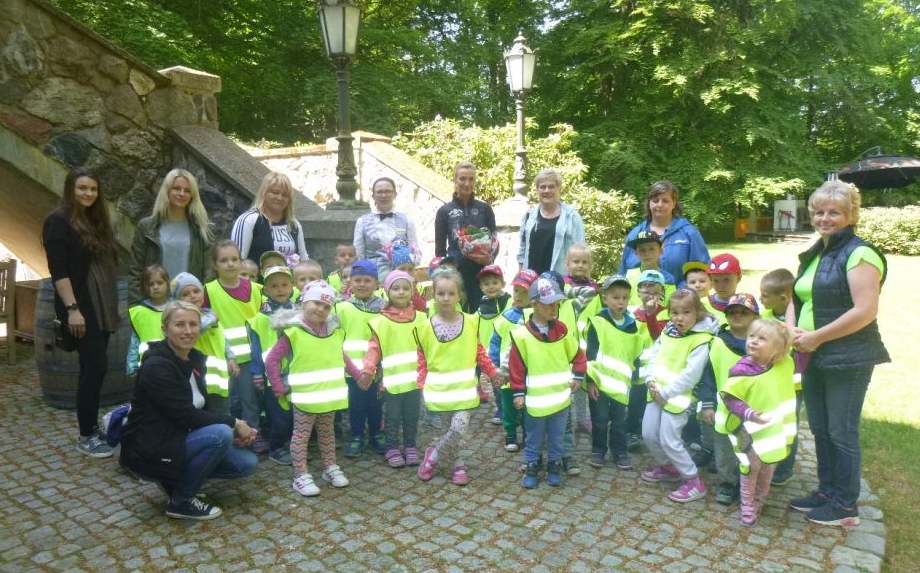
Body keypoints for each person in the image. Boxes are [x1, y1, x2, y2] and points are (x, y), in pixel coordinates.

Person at [789, 181, 888, 527]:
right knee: (820, 428)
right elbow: (797, 296)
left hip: (848, 356)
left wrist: (816, 337)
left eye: (834, 212)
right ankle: (827, 491)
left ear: (851, 216)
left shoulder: (860, 254)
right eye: (818, 212)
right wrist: (792, 330)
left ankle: (845, 505)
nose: (824, 218)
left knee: (841, 431)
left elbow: (865, 311)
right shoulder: (817, 252)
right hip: (812, 354)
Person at [119, 300, 258, 521]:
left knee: (246, 463)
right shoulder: (157, 366)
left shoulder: (194, 358)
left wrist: (235, 431)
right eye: (180, 324)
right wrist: (234, 424)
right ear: (165, 329)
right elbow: (185, 415)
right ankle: (181, 501)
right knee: (220, 434)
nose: (188, 331)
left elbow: (203, 407)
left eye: (193, 324)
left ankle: (178, 483)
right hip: (151, 447)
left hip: (180, 437)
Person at [42, 167, 121, 458]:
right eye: (82, 188)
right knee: (94, 366)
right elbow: (59, 271)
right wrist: (73, 310)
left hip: (101, 304)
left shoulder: (95, 220)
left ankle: (92, 428)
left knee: (95, 367)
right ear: (70, 190)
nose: (88, 193)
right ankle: (86, 434)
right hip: (81, 304)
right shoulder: (58, 222)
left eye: (93, 189)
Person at [266, 281, 358, 497]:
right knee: (301, 436)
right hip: (305, 398)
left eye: (326, 306)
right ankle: (300, 475)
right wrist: (278, 386)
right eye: (316, 303)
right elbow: (271, 360)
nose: (321, 309)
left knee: (327, 433)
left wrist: (358, 374)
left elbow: (342, 356)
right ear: (304, 303)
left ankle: (330, 467)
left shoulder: (333, 332)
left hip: (329, 396)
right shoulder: (293, 333)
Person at [416, 269, 499, 485]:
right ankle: (457, 464)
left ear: (459, 295)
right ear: (434, 295)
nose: (446, 298)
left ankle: (433, 455)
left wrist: (492, 372)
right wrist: (421, 382)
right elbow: (422, 356)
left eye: (451, 293)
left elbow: (479, 351)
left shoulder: (470, 322)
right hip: (440, 390)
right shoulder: (425, 327)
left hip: (464, 389)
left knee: (458, 427)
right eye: (441, 293)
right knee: (448, 429)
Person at [640, 289, 718, 503]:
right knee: (648, 433)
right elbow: (654, 353)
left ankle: (693, 480)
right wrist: (649, 379)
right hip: (656, 391)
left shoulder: (702, 340)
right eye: (674, 312)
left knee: (669, 440)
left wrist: (665, 393)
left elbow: (691, 375)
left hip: (677, 398)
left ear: (698, 312)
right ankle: (669, 467)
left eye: (686, 312)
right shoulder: (668, 330)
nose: (679, 318)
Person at [508, 274, 586, 488]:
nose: (554, 308)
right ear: (534, 304)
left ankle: (554, 465)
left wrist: (578, 375)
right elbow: (516, 367)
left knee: (557, 436)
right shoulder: (522, 335)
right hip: (535, 401)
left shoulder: (562, 331)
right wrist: (518, 392)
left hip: (560, 398)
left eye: (556, 303)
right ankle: (532, 465)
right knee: (533, 437)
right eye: (549, 304)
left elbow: (578, 355)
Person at [722, 319, 797, 526]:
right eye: (751, 336)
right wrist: (749, 413)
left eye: (762, 338)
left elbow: (790, 342)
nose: (753, 341)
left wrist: (787, 333)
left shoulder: (784, 364)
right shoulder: (742, 369)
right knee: (750, 467)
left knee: (768, 467)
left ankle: (760, 499)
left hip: (774, 430)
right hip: (750, 431)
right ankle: (747, 504)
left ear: (777, 349)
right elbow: (730, 398)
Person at [697, 293, 760, 506]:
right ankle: (728, 482)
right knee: (724, 449)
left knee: (751, 449)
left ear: (755, 316)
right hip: (724, 407)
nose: (737, 315)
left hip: (754, 408)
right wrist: (707, 404)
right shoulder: (717, 342)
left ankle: (750, 484)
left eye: (744, 312)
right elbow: (708, 375)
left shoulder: (762, 343)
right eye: (732, 312)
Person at [203, 241, 264, 450]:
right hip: (222, 359)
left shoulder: (256, 289)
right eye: (223, 260)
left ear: (240, 261)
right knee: (226, 401)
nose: (230, 264)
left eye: (234, 259)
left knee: (250, 401)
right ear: (215, 265)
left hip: (250, 358)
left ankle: (253, 435)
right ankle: (227, 437)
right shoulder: (208, 291)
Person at [361, 270, 425, 467]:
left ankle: (410, 445)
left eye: (406, 288)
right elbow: (374, 348)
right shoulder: (381, 322)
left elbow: (429, 347)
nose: (401, 292)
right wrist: (368, 370)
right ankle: (391, 447)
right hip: (392, 381)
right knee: (392, 417)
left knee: (412, 415)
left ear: (412, 291)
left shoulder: (422, 319)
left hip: (415, 381)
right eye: (396, 288)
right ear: (387, 292)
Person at [584, 275, 646, 471]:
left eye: (624, 298)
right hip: (600, 383)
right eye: (616, 297)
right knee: (600, 420)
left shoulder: (633, 325)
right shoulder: (597, 322)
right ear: (605, 298)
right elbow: (590, 354)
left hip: (622, 384)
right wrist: (590, 381)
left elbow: (636, 354)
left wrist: (635, 380)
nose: (620, 302)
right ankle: (598, 450)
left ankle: (619, 452)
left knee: (620, 421)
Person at [129, 169, 212, 304]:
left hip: (189, 304)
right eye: (176, 188)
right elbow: (135, 271)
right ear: (167, 191)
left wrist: (202, 302)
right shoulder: (146, 227)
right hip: (155, 303)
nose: (181, 193)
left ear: (192, 195)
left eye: (187, 190)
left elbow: (208, 272)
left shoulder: (201, 229)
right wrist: (135, 307)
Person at [336, 260, 387, 458]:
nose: (362, 284)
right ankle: (356, 436)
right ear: (350, 282)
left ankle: (376, 434)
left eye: (367, 280)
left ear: (376, 283)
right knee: (356, 405)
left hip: (376, 369)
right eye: (357, 280)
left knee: (375, 405)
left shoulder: (384, 308)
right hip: (352, 369)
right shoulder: (342, 308)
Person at [247, 266, 297, 465]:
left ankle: (292, 444)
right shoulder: (260, 318)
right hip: (272, 376)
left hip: (297, 373)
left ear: (292, 287)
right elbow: (255, 348)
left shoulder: (299, 313)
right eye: (274, 286)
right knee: (279, 414)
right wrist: (257, 372)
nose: (280, 289)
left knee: (294, 413)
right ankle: (276, 448)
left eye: (284, 285)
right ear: (266, 290)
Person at [619, 180, 709, 284]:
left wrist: (681, 291)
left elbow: (701, 271)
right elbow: (624, 271)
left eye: (665, 201)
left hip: (680, 293)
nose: (660, 204)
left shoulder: (689, 233)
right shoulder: (635, 234)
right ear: (649, 203)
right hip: (641, 293)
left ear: (674, 203)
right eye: (655, 200)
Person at [434, 162, 497, 312]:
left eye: (471, 179)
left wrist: (490, 259)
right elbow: (440, 250)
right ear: (455, 180)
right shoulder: (444, 211)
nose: (467, 183)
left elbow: (494, 240)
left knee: (481, 314)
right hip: (455, 273)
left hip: (481, 274)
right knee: (457, 314)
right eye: (462, 179)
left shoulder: (485, 209)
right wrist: (444, 272)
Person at [489, 270, 539, 451]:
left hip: (529, 372)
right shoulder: (505, 318)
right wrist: (494, 366)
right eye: (516, 291)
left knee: (528, 405)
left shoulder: (537, 317)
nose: (518, 296)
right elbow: (495, 343)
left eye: (524, 292)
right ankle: (510, 434)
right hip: (507, 372)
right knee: (508, 405)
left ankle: (528, 434)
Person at [173, 273, 238, 408]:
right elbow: (198, 328)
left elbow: (223, 337)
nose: (192, 296)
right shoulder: (184, 319)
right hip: (198, 375)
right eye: (185, 294)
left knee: (222, 410)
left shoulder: (209, 313)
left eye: (196, 291)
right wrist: (212, 319)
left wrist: (231, 357)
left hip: (219, 377)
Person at [231, 171, 309, 267]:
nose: (279, 198)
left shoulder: (294, 224)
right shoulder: (248, 220)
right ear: (264, 193)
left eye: (285, 195)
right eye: (275, 192)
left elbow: (304, 261)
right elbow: (237, 261)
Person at [517, 169, 586, 277]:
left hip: (560, 280)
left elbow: (580, 252)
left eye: (551, 186)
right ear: (537, 190)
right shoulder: (529, 216)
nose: (547, 190)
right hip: (530, 280)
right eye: (542, 187)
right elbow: (522, 249)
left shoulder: (571, 217)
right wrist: (520, 273)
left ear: (559, 188)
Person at [354, 177, 419, 280]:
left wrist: (409, 268)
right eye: (379, 192)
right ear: (373, 196)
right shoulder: (362, 222)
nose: (384, 195)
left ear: (395, 194)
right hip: (373, 277)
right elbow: (359, 255)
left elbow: (415, 250)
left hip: (402, 278)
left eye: (388, 191)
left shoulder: (407, 220)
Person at [127, 264, 171, 376]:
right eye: (151, 284)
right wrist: (132, 366)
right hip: (147, 367)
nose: (155, 287)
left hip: (173, 364)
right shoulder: (139, 312)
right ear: (145, 287)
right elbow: (135, 341)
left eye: (159, 283)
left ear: (167, 284)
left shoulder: (177, 309)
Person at [624, 231, 676, 309]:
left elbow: (671, 307)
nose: (647, 253)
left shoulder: (667, 278)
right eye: (642, 250)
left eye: (651, 249)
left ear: (661, 251)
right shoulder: (629, 275)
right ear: (636, 253)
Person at [706, 253, 743, 324]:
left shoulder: (745, 304)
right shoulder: (704, 304)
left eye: (726, 280)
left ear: (738, 278)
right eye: (716, 281)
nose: (721, 286)